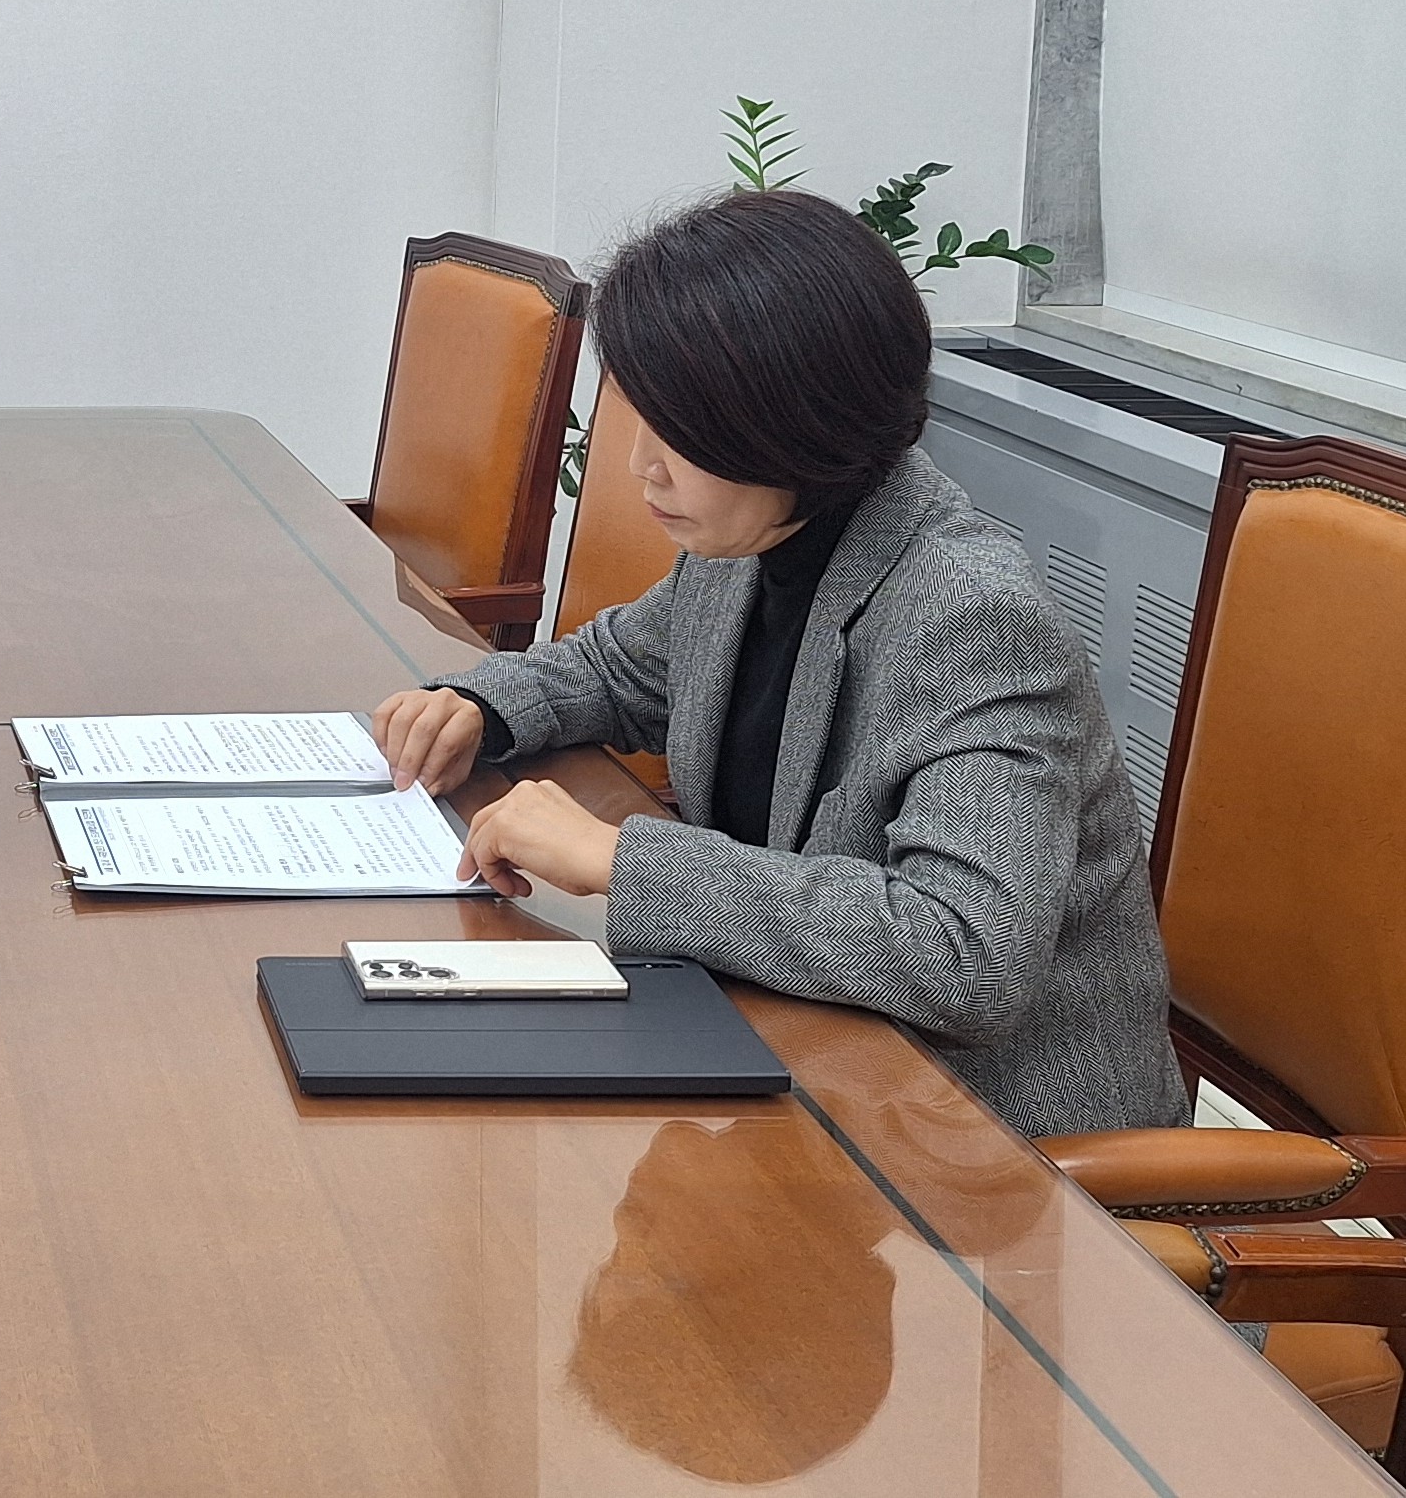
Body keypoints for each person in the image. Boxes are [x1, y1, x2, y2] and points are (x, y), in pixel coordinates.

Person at [367, 188, 1183, 1139]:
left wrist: (621, 858)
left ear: (792, 424)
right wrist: (479, 704)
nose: (639, 466)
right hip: (807, 1051)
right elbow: (622, 669)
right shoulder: (755, 536)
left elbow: (965, 954)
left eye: (680, 433)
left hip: (987, 1147)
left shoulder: (971, 617)